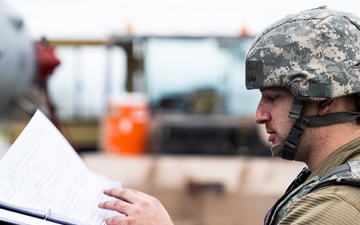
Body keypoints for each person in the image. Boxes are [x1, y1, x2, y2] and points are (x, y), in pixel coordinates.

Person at [98, 7, 360, 225]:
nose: (259, 115)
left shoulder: (332, 209)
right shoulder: (331, 178)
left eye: (272, 97)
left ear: (324, 100)